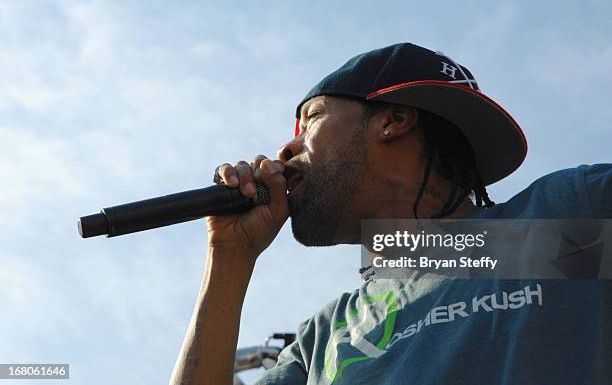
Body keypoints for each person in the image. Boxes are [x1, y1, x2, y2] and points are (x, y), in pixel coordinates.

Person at [170, 43, 612, 384]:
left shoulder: (567, 214)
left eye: (312, 119)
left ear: (393, 120)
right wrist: (229, 255)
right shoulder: (324, 339)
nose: (286, 148)